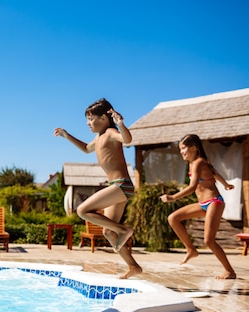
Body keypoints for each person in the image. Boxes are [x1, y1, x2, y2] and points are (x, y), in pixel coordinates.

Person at [54, 98, 142, 279]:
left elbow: (126, 139)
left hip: (121, 185)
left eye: (91, 119)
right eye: (87, 119)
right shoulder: (99, 137)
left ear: (103, 118)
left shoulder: (110, 132)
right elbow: (86, 149)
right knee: (108, 231)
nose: (88, 123)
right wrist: (67, 135)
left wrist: (121, 124)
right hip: (116, 187)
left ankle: (124, 231)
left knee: (83, 210)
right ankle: (133, 266)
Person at [160, 134, 236, 280]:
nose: (181, 151)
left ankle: (229, 271)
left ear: (194, 148)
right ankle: (191, 249)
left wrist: (173, 197)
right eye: (180, 149)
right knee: (173, 218)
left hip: (214, 202)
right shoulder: (196, 162)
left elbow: (192, 186)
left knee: (209, 240)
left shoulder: (198, 163)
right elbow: (214, 172)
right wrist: (226, 184)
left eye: (183, 148)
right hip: (203, 204)